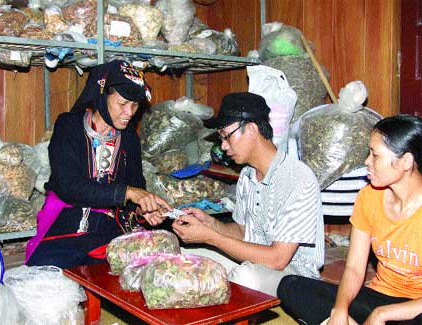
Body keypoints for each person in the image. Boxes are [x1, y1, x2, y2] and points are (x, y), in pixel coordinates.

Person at [172, 92, 325, 296]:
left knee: (245, 277)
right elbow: (244, 233)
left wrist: (211, 238)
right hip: (253, 261)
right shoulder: (247, 175)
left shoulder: (298, 178)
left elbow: (277, 259)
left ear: (252, 129)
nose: (224, 146)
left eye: (227, 136)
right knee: (183, 256)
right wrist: (210, 224)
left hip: (296, 278)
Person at [26, 60, 171, 269]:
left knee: (130, 272)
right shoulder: (69, 126)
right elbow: (68, 185)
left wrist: (143, 210)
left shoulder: (129, 138)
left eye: (135, 105)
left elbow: (136, 188)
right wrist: (128, 193)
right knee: (49, 277)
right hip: (65, 226)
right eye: (122, 104)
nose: (130, 113)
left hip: (109, 229)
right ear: (102, 96)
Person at [277, 114, 422, 325]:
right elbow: (354, 268)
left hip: (414, 308)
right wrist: (340, 308)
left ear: (406, 162)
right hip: (379, 297)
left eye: (375, 155)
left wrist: (382, 314)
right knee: (291, 287)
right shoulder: (368, 197)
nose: (367, 162)